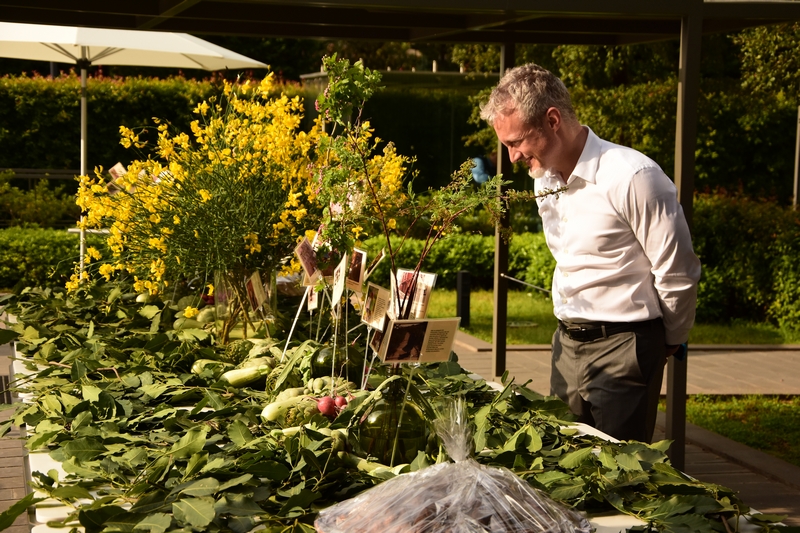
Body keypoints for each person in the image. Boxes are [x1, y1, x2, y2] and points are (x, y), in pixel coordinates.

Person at [481, 64, 701, 442]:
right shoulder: (544, 181)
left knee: (617, 478)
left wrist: (667, 341)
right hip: (565, 344)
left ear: (552, 120)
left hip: (624, 346)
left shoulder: (634, 177)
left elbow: (678, 270)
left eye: (516, 142)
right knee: (563, 466)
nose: (513, 157)